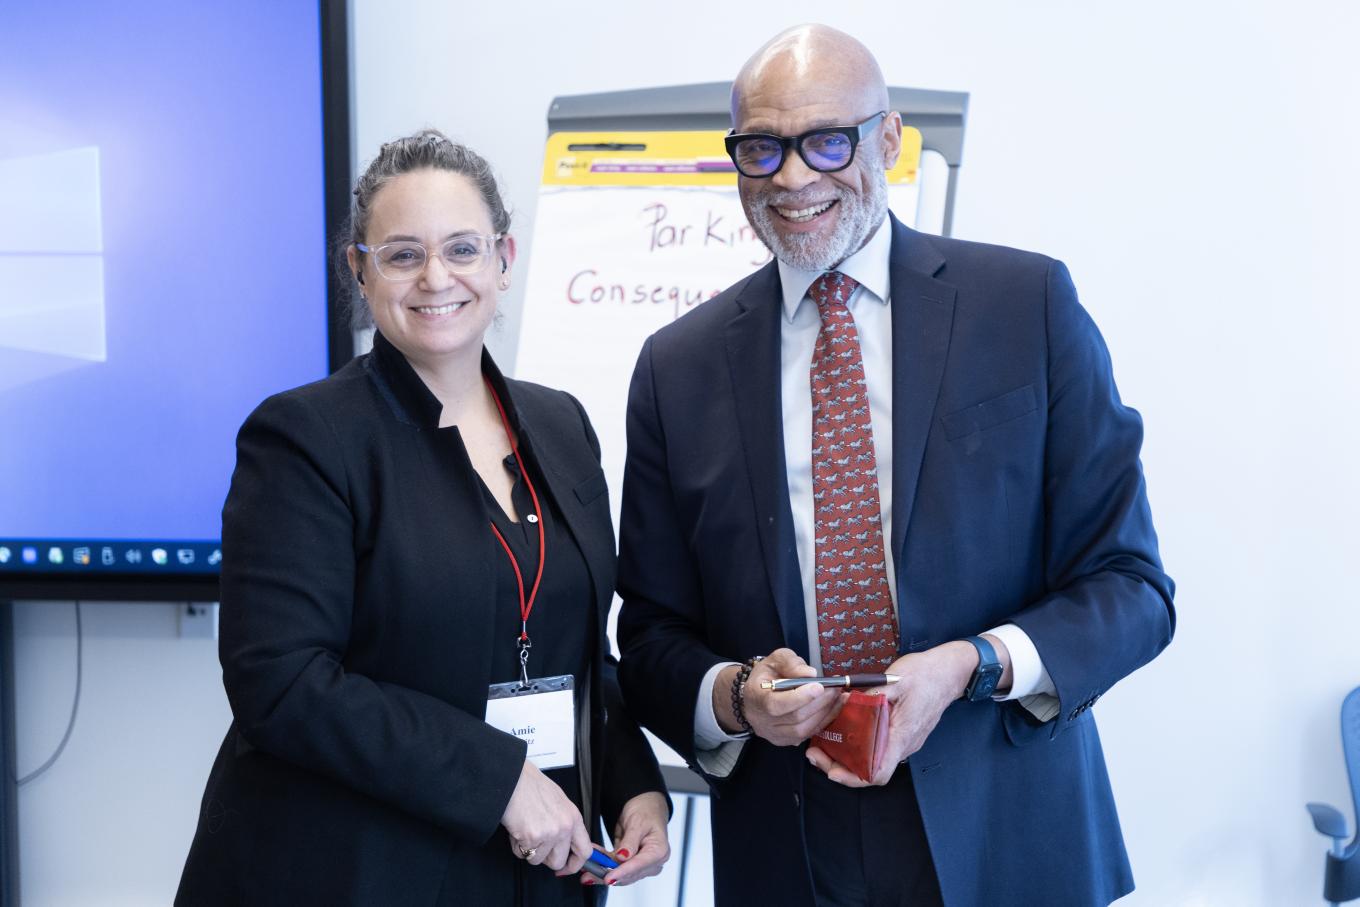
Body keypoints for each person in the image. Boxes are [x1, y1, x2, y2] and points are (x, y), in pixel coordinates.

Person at [615, 25, 1175, 907]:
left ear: (889, 139)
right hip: (786, 842)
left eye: (827, 140)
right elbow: (647, 633)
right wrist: (733, 696)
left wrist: (969, 664)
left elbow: (1132, 585)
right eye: (762, 148)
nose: (793, 177)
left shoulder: (1026, 308)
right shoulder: (675, 368)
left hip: (1004, 824)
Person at [177, 129, 670, 906]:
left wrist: (632, 784)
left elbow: (574, 648)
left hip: (532, 872)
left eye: (463, 249)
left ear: (504, 260)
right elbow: (283, 684)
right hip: (351, 870)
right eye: (403, 253)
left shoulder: (562, 426)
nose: (436, 277)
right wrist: (500, 777)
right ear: (359, 271)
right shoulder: (304, 436)